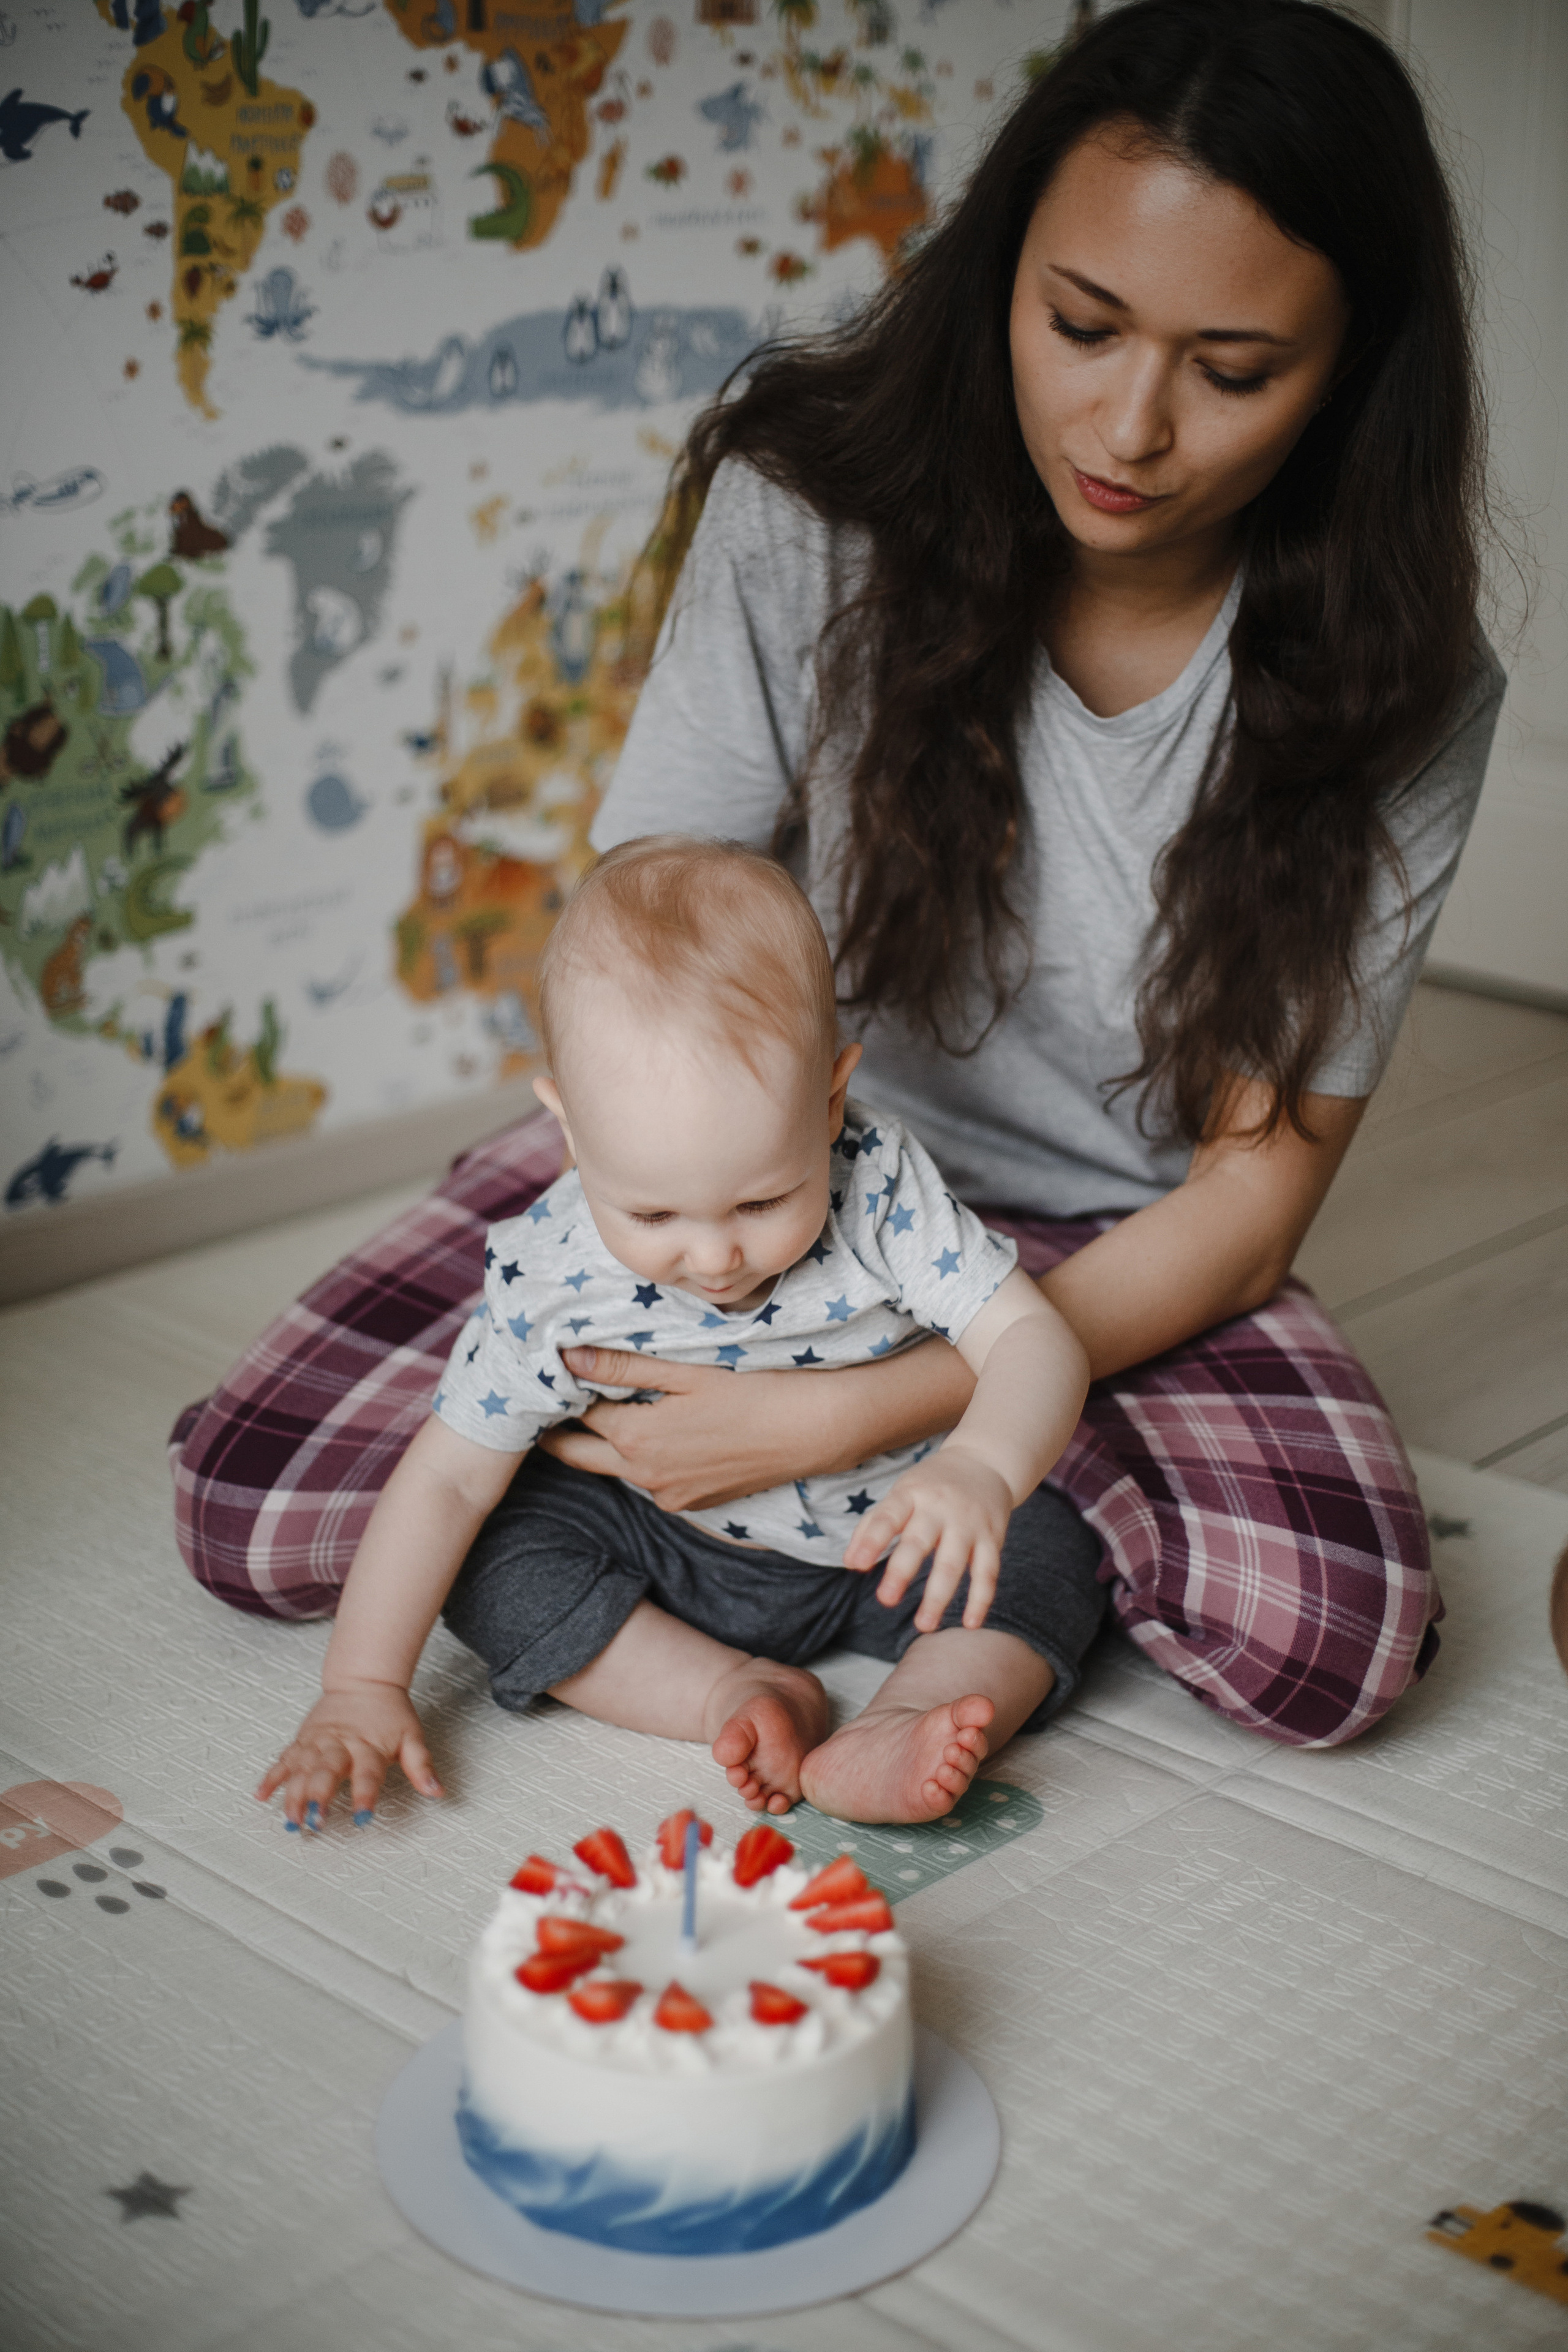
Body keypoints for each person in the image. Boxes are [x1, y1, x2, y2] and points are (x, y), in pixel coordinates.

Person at [173, 0, 1505, 1769]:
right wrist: (686, 1248)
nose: (1131, 423)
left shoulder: (1401, 687)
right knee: (253, 1508)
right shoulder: (813, 509)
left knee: (1327, 1648)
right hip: (748, 1156)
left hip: (1116, 1244)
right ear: (1000, 271)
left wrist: (862, 1410)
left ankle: (967, 1553)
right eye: (1080, 324)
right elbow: (659, 934)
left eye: (1234, 368)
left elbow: (1251, 1202)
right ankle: (850, 1592)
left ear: (1353, 370)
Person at [257, 839, 1097, 1830]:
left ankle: (911, 1711)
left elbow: (1034, 1340)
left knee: (1054, 1549)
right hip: (670, 1545)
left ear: (831, 1102)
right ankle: (729, 1693)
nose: (713, 1259)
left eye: (761, 1200)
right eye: (653, 1217)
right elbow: (446, 1477)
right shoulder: (553, 1273)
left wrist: (983, 1470)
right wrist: (362, 1684)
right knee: (491, 1565)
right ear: (568, 1131)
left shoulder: (877, 1185)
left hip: (895, 1532)